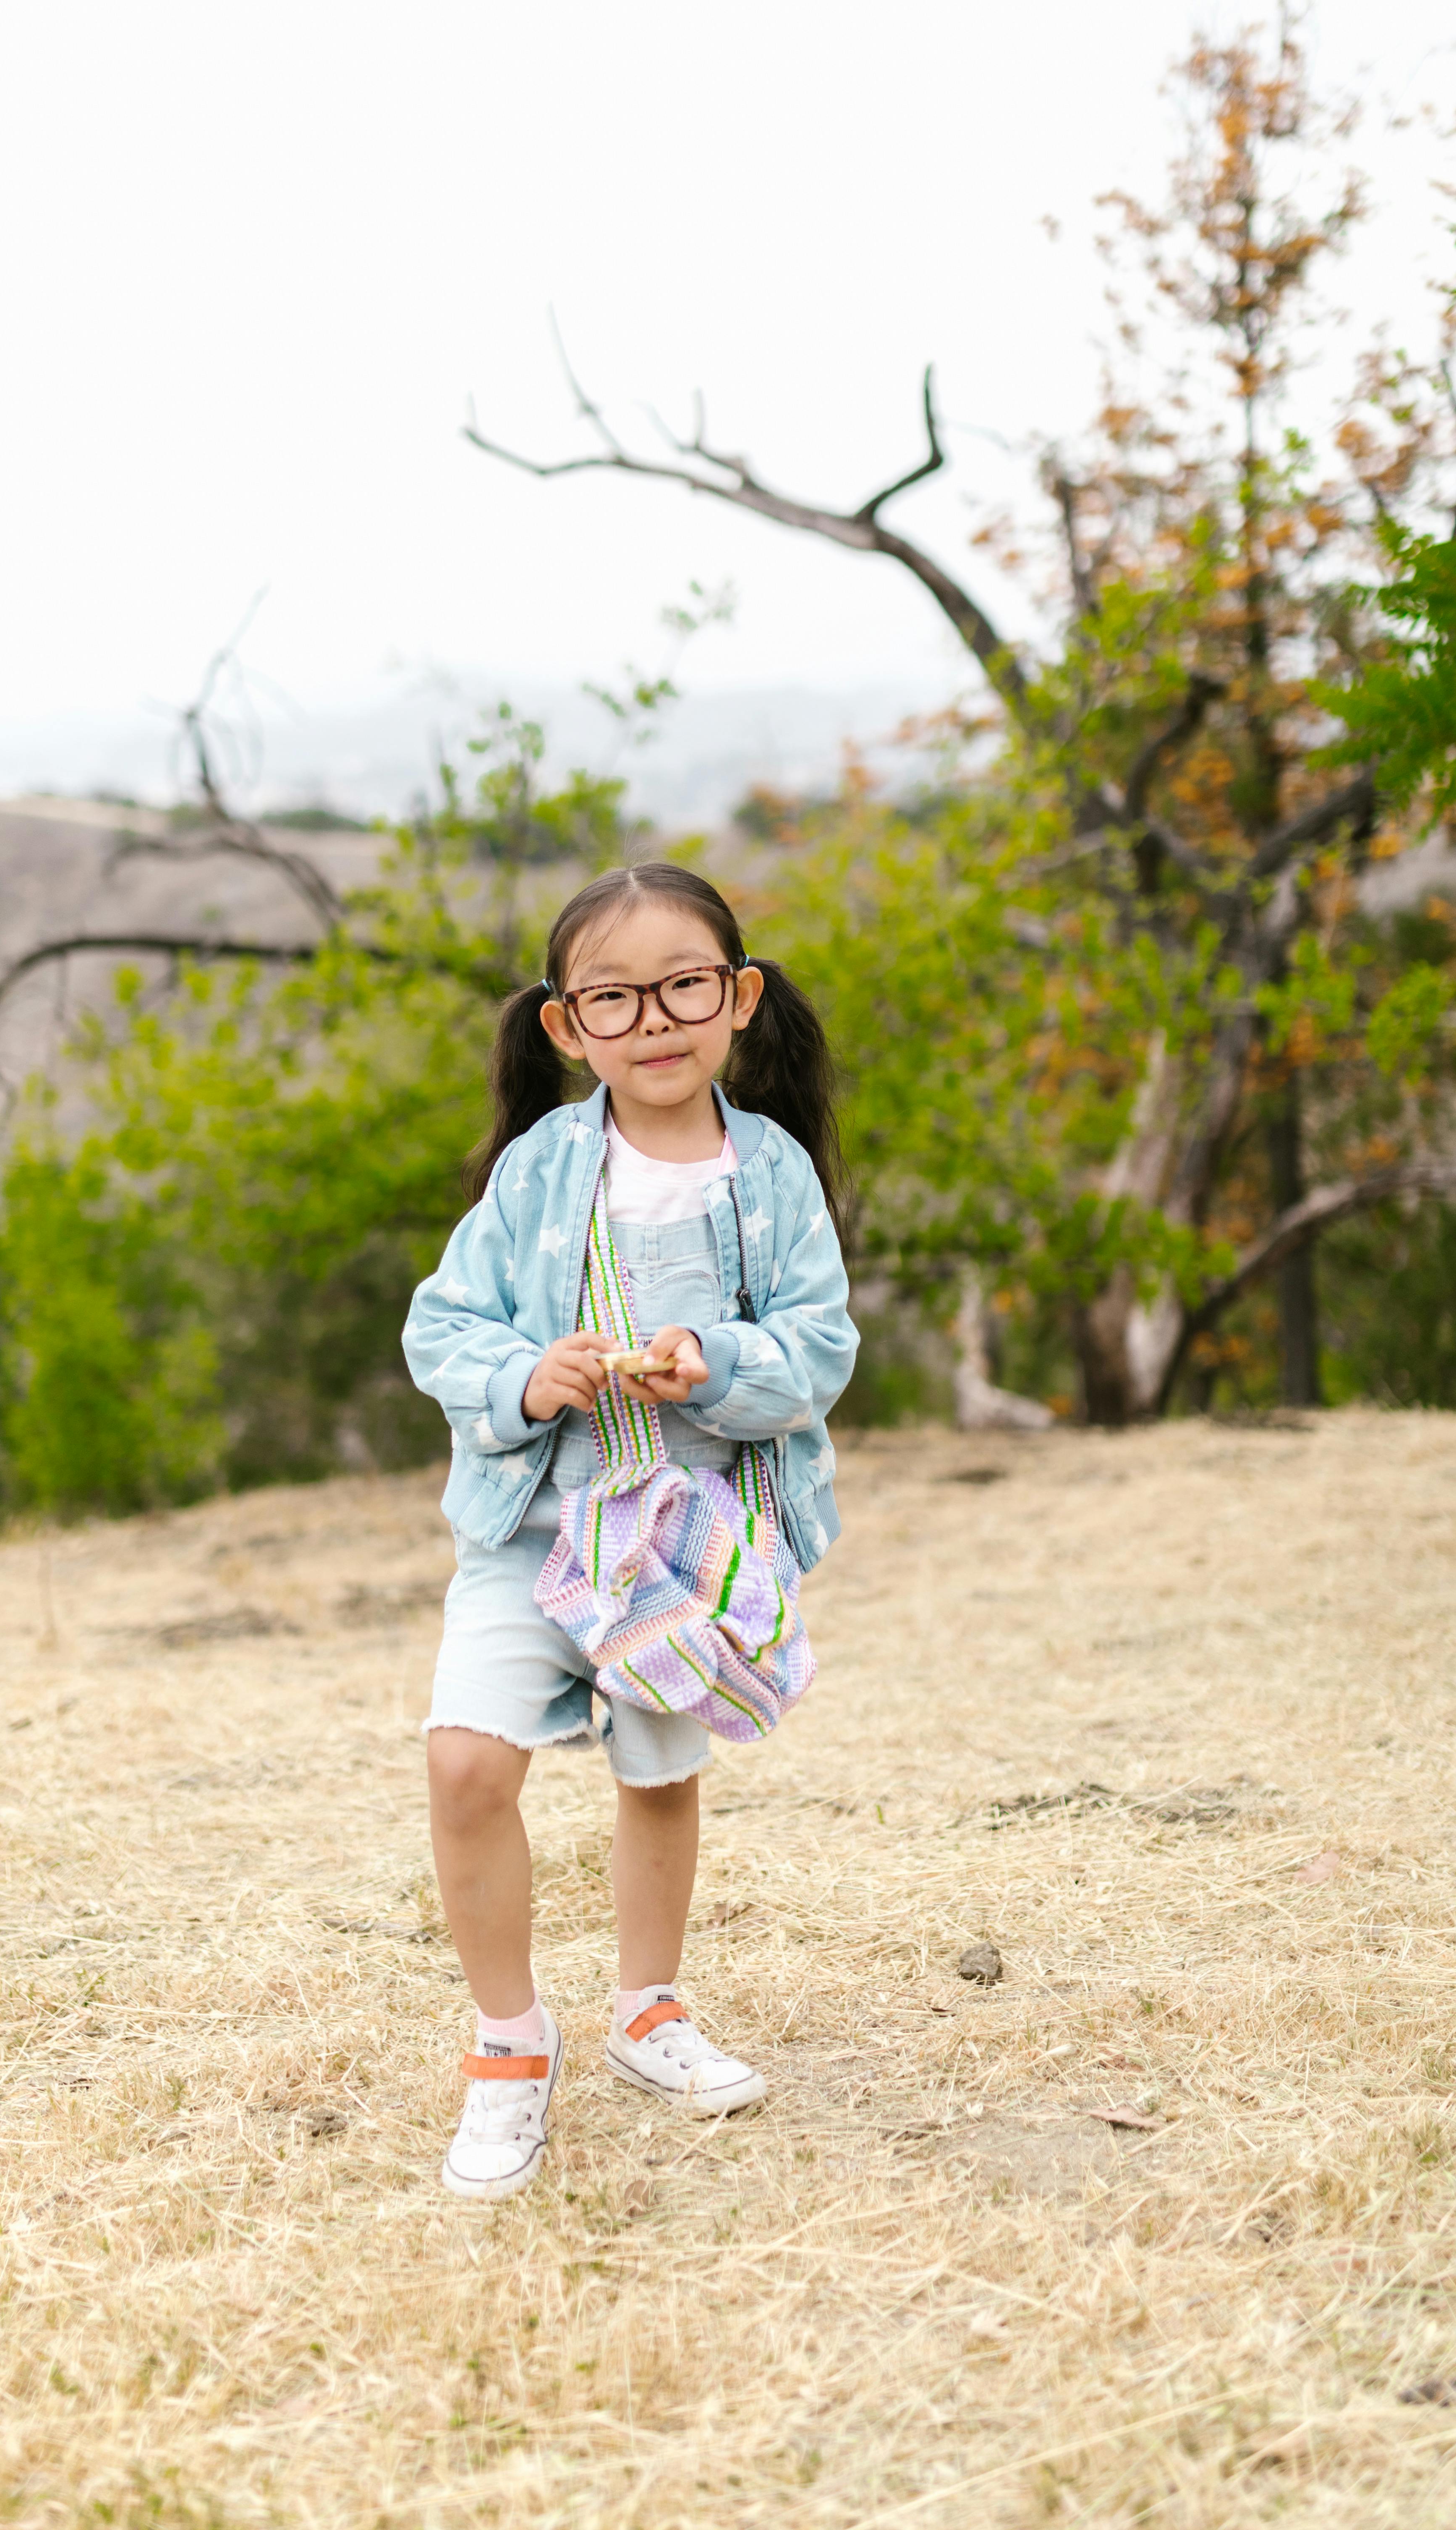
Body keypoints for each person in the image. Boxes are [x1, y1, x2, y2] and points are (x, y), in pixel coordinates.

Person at [402, 861, 858, 2201]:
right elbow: (444, 1327)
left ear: (738, 998)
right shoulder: (544, 1170)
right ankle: (509, 2043)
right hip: (536, 1531)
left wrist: (712, 1364)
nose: (654, 1020)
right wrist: (527, 1379)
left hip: (693, 1549)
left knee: (658, 1775)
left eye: (684, 987)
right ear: (567, 1024)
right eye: (615, 997)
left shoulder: (767, 1174)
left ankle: (647, 2008)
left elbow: (819, 1353)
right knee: (465, 1765)